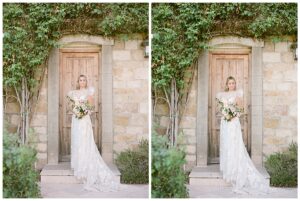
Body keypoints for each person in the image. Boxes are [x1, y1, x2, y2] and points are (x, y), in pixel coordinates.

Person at [216, 76, 270, 194]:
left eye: (233, 83)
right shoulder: (222, 95)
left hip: (233, 122)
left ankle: (236, 169)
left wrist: (233, 116)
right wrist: (224, 114)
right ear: (227, 84)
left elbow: (240, 110)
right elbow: (220, 108)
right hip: (225, 122)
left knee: (234, 144)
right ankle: (228, 170)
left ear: (235, 84)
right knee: (227, 144)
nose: (231, 85)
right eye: (230, 83)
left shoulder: (238, 95)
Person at [67, 74, 120, 192]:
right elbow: (71, 106)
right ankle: (78, 165)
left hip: (84, 119)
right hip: (76, 120)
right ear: (77, 81)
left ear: (86, 82)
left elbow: (91, 107)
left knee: (85, 140)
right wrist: (75, 111)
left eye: (84, 80)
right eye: (80, 80)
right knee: (77, 141)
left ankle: (86, 165)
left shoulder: (89, 93)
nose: (82, 82)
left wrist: (85, 111)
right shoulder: (73, 93)